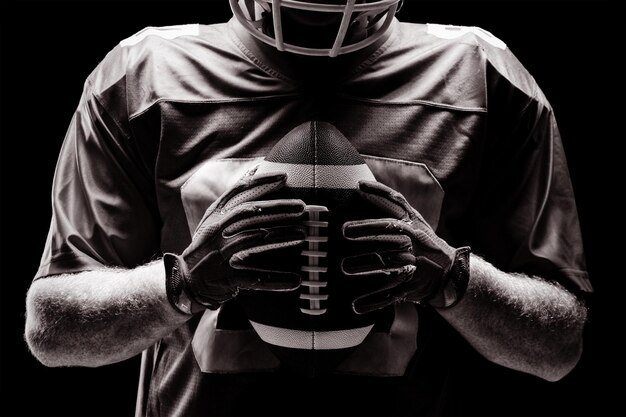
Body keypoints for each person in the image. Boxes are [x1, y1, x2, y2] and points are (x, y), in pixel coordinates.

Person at [24, 1, 592, 415]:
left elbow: (558, 346)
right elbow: (52, 328)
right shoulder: (139, 74)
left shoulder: (482, 76)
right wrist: (183, 282)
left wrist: (452, 278)